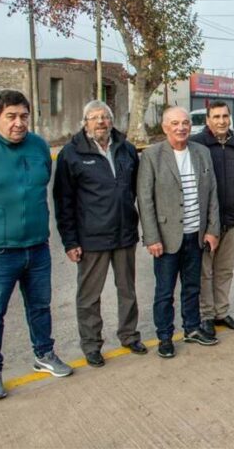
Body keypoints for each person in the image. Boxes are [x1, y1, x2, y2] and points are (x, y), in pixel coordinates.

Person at [0, 90, 72, 401]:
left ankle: (44, 354)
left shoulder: (38, 146)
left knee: (40, 306)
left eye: (23, 116)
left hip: (37, 247)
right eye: (11, 116)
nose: (18, 123)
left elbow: (42, 182)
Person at [53, 100, 146, 368]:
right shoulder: (71, 154)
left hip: (124, 234)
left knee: (127, 290)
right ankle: (92, 345)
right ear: (85, 123)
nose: (100, 122)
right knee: (89, 296)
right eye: (94, 118)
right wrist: (70, 240)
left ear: (111, 121)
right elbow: (63, 201)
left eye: (105, 117)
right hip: (91, 238)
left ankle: (129, 335)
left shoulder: (126, 149)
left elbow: (135, 190)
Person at [137, 107, 221, 358]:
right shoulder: (152, 156)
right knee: (164, 292)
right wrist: (152, 237)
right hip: (166, 238)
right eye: (174, 123)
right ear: (165, 127)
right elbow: (145, 199)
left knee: (192, 287)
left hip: (196, 234)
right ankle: (165, 337)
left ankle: (192, 328)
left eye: (185, 123)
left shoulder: (201, 152)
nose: (181, 127)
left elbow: (212, 193)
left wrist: (212, 230)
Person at [190, 101, 234, 333]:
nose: (222, 121)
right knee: (205, 271)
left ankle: (221, 312)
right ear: (208, 120)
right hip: (206, 223)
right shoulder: (197, 145)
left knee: (225, 269)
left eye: (225, 116)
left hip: (231, 219)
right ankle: (206, 315)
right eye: (216, 117)